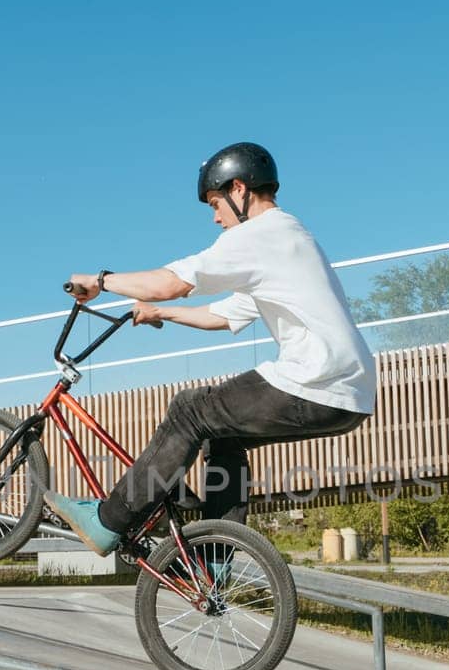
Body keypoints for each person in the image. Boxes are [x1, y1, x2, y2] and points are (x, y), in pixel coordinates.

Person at [45, 142, 375, 555]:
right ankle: (214, 556)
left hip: (315, 380)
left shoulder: (261, 235)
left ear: (240, 190)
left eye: (216, 203)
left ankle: (108, 519)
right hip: (348, 394)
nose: (216, 217)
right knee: (223, 439)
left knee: (189, 410)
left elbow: (169, 282)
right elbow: (223, 316)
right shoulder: (290, 238)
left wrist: (101, 280)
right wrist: (161, 314)